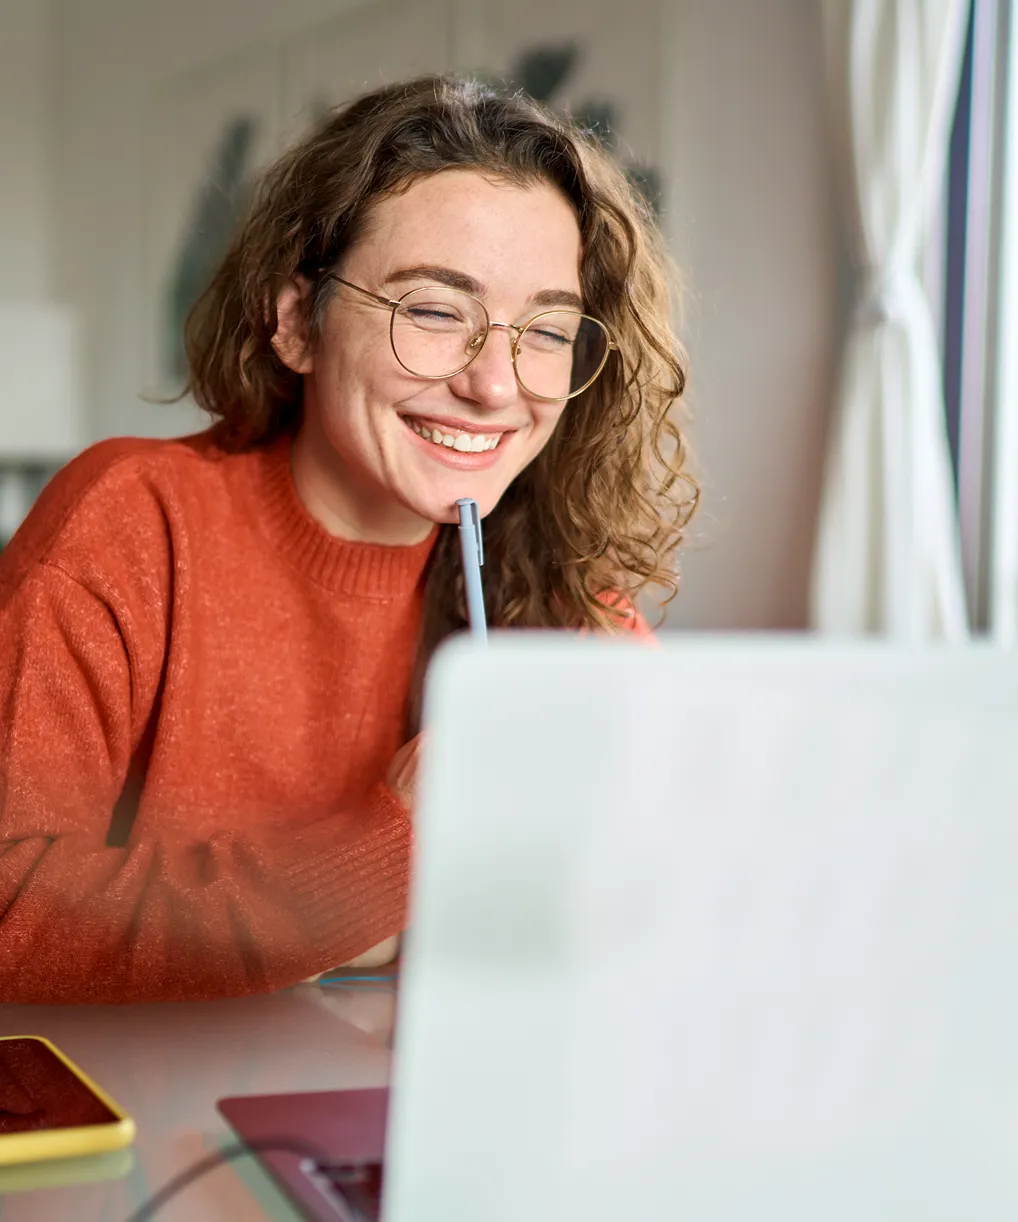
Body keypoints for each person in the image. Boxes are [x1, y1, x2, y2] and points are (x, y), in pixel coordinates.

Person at [0, 75, 697, 1004]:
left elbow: (672, 894)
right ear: (296, 322)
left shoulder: (556, 581)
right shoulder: (133, 520)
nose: (496, 385)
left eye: (547, 328)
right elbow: (14, 912)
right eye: (435, 310)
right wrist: (390, 850)